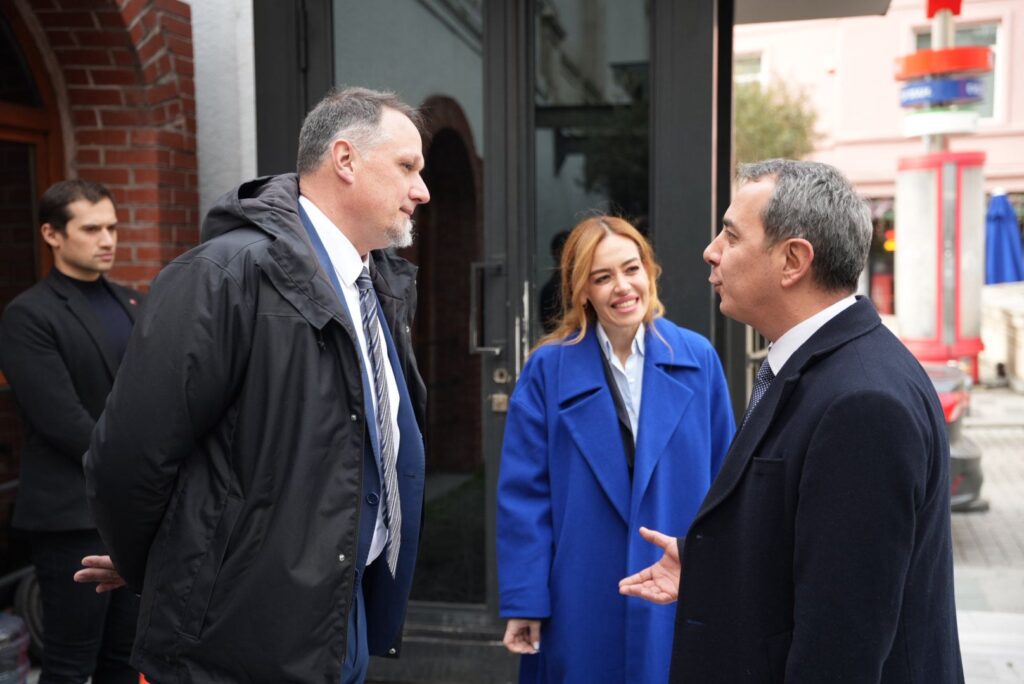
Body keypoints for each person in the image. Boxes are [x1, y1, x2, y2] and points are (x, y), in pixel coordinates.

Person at [76, 87, 430, 684]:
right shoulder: (224, 276)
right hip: (234, 637)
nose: (421, 191)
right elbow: (129, 458)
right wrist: (166, 566)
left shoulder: (377, 285)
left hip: (340, 618)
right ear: (345, 160)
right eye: (407, 167)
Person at [619, 160, 965, 683]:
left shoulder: (862, 402)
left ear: (793, 261)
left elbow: (841, 645)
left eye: (732, 235)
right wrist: (712, 566)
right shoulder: (823, 367)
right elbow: (811, 540)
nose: (711, 251)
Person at [497, 216, 735, 683]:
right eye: (602, 277)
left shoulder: (698, 358)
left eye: (631, 269)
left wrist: (720, 579)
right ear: (582, 290)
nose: (622, 287)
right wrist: (525, 600)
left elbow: (726, 483)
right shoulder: (547, 370)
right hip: (578, 591)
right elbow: (525, 496)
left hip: (675, 584)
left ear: (649, 272)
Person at [0, 180, 141, 683]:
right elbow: (63, 422)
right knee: (69, 663)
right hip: (70, 518)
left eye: (113, 228)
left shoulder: (134, 304)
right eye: (91, 229)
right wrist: (148, 463)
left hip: (133, 515)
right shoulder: (28, 315)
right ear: (52, 234)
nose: (107, 240)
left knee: (127, 658)